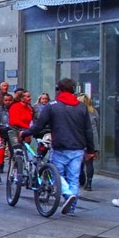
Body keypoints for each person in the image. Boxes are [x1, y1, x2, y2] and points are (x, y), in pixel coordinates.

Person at [24, 78, 96, 216]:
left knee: (55, 172)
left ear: (59, 89)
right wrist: (91, 149)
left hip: (60, 146)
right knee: (73, 177)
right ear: (73, 89)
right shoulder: (82, 107)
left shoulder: (52, 105)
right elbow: (88, 130)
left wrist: (25, 133)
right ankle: (72, 207)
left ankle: (67, 194)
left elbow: (39, 125)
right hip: (78, 147)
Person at [78, 93, 99, 191]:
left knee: (79, 160)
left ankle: (81, 177)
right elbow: (97, 124)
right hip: (92, 139)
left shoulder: (78, 112)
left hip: (80, 138)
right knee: (89, 162)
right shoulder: (94, 111)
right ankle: (89, 183)